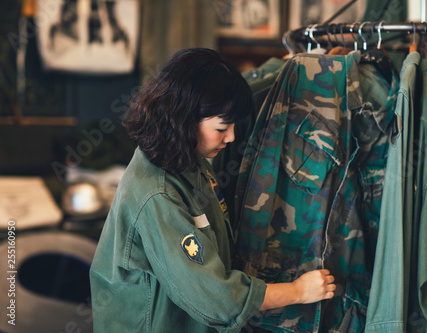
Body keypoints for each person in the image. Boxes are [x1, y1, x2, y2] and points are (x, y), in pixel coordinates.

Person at [89, 48, 336, 333]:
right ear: (185, 119)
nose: (231, 137)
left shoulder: (181, 157)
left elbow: (245, 89)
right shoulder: (159, 195)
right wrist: (298, 291)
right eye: (222, 128)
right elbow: (216, 298)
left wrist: (287, 65)